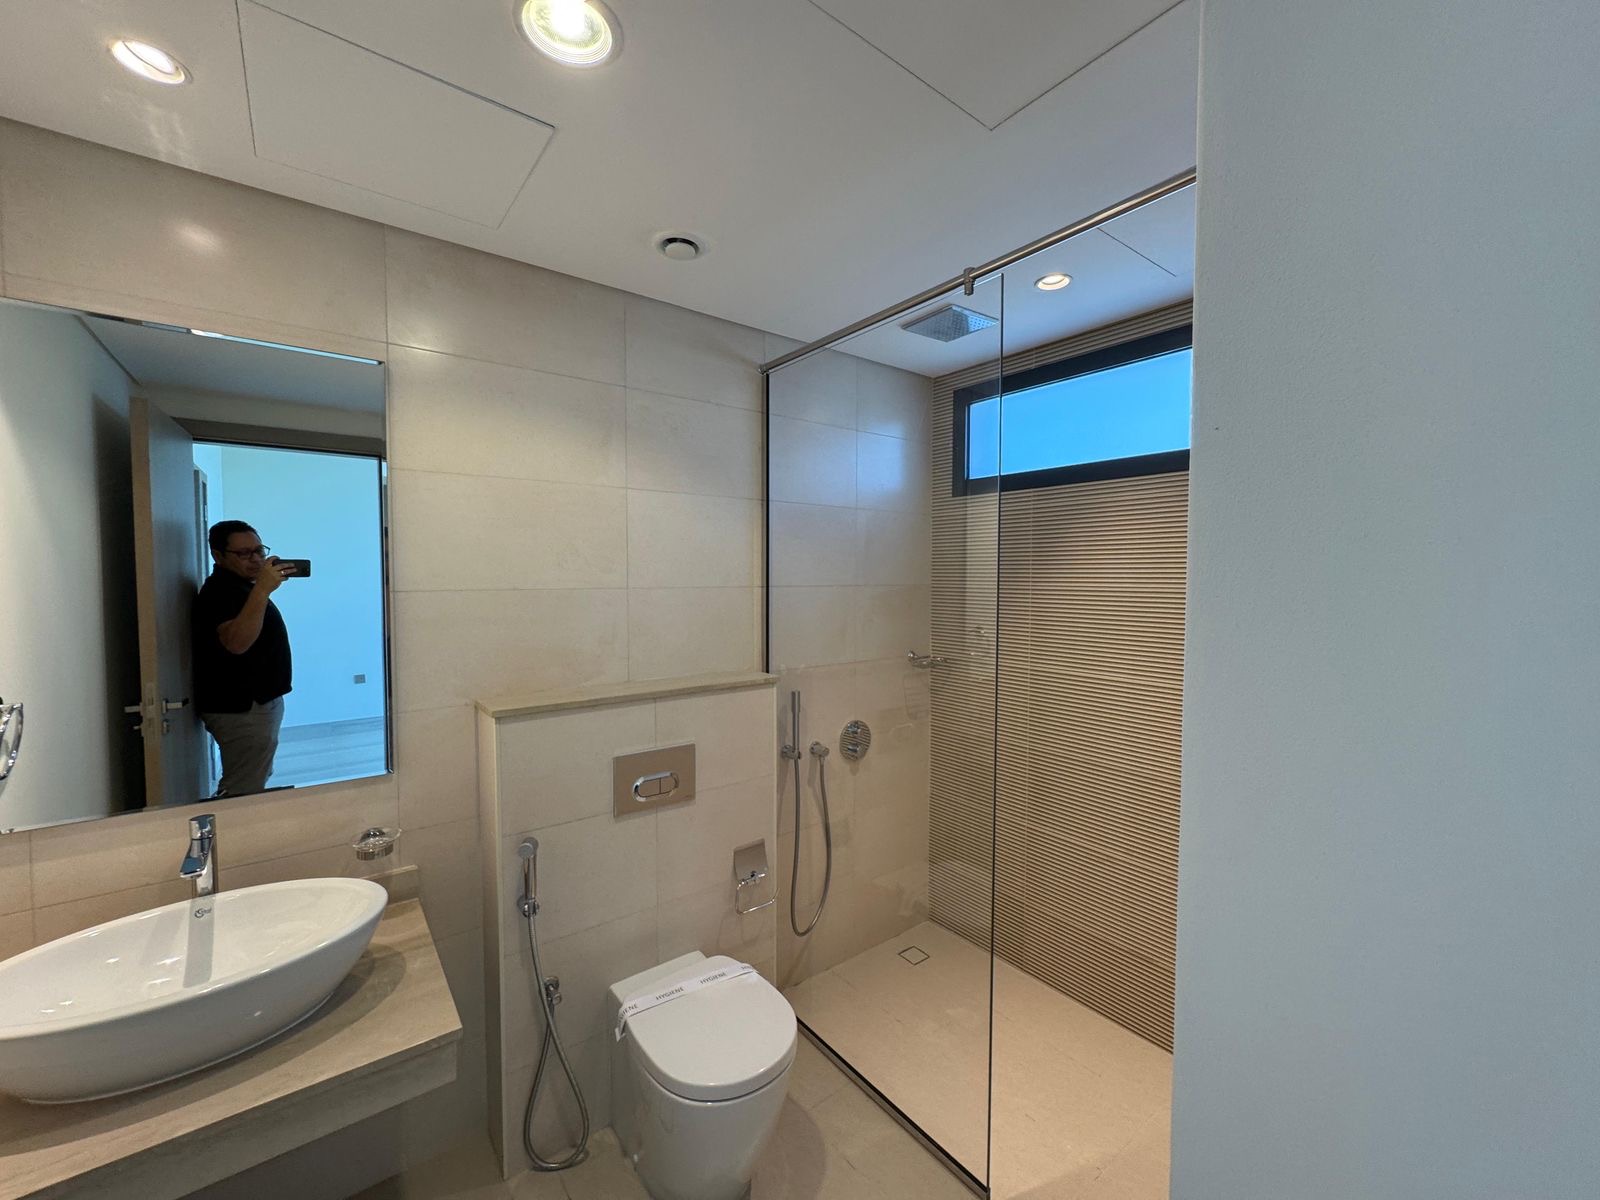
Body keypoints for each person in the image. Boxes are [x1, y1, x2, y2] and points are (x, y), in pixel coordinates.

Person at [192, 520, 296, 796]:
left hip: (253, 704)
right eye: (244, 553)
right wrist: (262, 589)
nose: (256, 559)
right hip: (241, 708)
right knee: (243, 788)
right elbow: (237, 643)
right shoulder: (219, 592)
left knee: (254, 775)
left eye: (259, 551)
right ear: (218, 556)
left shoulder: (241, 586)